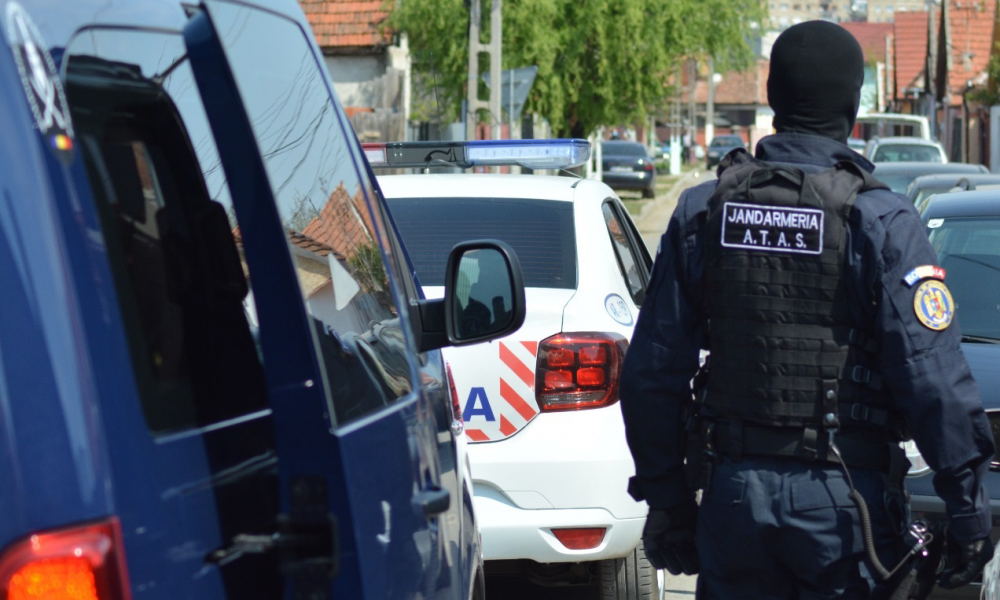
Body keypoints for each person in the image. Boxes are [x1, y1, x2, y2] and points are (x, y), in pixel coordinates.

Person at [620, 20, 994, 599]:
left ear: (773, 97)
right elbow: (932, 380)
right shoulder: (880, 221)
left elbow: (652, 372)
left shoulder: (704, 212)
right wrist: (968, 509)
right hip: (844, 506)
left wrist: (668, 499)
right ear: (852, 105)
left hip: (734, 498)